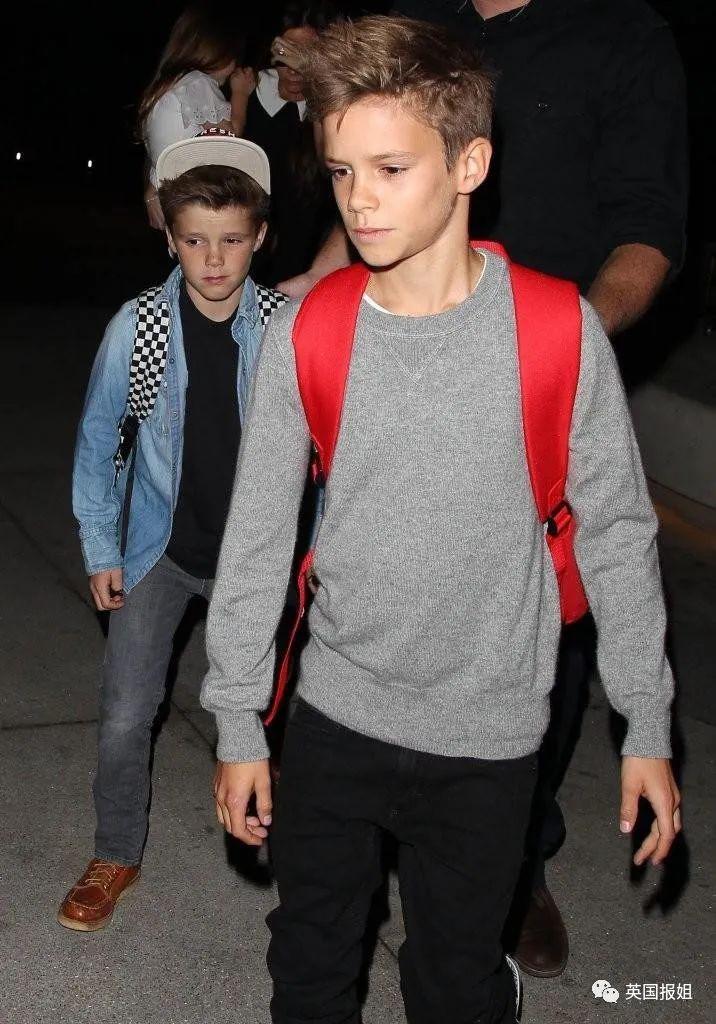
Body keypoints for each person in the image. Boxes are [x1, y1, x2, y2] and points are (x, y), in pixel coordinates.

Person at [200, 16, 681, 1024]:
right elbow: (258, 539)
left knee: (454, 983)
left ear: (469, 163)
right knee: (309, 967)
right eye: (341, 172)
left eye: (390, 168)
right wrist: (239, 718)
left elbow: (615, 532)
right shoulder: (311, 331)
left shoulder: (556, 332)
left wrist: (644, 720)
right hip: (334, 719)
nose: (359, 199)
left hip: (488, 737)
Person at [59, 134, 286, 932]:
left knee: (276, 711)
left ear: (260, 236)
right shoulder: (141, 327)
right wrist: (102, 547)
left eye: (231, 239)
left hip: (257, 559)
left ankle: (299, 847)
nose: (213, 259)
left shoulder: (287, 330)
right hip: (159, 549)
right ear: (170, 239)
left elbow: (327, 452)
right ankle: (115, 850)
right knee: (127, 710)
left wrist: (322, 550)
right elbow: (98, 441)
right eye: (194, 241)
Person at [242, 2, 340, 286]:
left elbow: (329, 164)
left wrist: (319, 86)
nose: (295, 68)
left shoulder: (327, 105)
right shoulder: (247, 89)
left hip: (301, 256)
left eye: (306, 55)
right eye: (288, 52)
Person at [138, 4, 255, 230]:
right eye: (233, 56)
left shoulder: (166, 87)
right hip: (196, 203)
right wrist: (241, 93)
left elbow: (167, 150)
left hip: (176, 202)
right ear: (218, 51)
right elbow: (230, 137)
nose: (234, 66)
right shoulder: (198, 82)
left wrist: (151, 190)